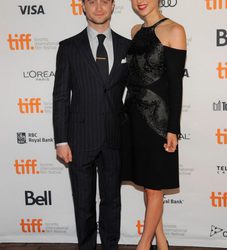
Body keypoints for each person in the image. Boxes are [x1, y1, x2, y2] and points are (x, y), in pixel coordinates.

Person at [52, 0, 130, 249]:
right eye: (92, 2)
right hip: (79, 138)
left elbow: (136, 95)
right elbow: (61, 96)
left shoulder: (127, 47)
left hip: (113, 137)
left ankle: (110, 246)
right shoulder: (69, 47)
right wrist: (61, 140)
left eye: (104, 1)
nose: (99, 7)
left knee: (112, 201)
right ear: (83, 7)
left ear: (113, 6)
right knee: (83, 202)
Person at [121, 0, 187, 249]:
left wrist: (173, 128)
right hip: (133, 117)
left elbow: (176, 85)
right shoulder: (135, 31)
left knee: (154, 188)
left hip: (158, 120)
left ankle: (143, 244)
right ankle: (162, 241)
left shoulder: (175, 30)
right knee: (149, 186)